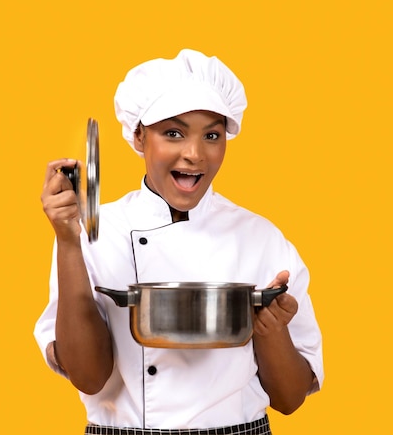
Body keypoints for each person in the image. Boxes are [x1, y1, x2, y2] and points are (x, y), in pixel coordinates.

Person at [35, 49, 323, 434]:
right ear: (139, 136)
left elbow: (290, 399)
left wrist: (270, 330)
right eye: (173, 133)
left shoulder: (262, 239)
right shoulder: (95, 231)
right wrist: (69, 240)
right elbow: (89, 377)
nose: (194, 154)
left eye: (212, 136)